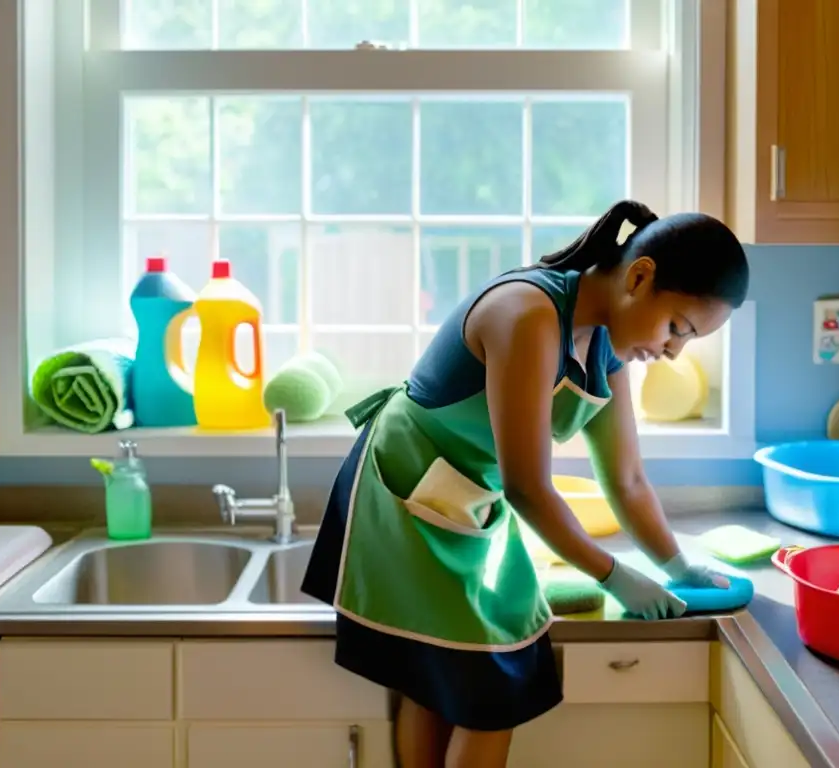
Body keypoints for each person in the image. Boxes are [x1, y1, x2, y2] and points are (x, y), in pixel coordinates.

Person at [302, 200, 750, 768]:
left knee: (445, 681)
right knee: (489, 688)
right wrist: (614, 574)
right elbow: (529, 487)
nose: (671, 352)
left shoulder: (606, 341)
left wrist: (676, 566)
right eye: (676, 329)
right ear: (640, 277)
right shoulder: (529, 315)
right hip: (407, 491)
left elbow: (628, 478)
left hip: (465, 499)